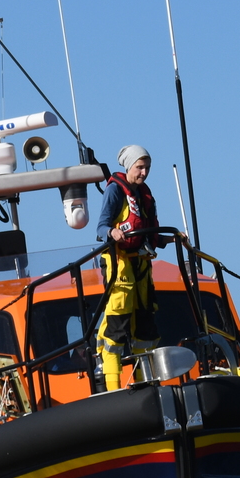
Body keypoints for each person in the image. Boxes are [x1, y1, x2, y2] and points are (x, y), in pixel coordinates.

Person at [95, 145, 166, 388]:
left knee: (145, 329)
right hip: (120, 265)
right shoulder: (115, 191)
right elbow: (101, 227)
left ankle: (145, 383)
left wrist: (170, 238)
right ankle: (113, 387)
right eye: (140, 167)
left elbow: (149, 233)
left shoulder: (145, 195)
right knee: (116, 328)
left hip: (142, 265)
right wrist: (112, 231)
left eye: (147, 167)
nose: (144, 172)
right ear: (129, 166)